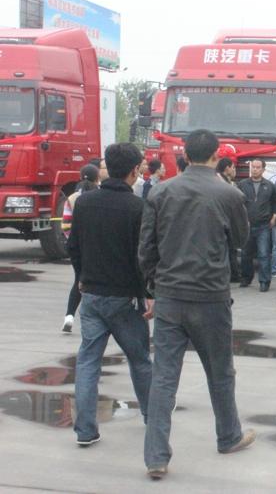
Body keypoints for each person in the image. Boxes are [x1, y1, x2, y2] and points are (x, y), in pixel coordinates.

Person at [139, 129, 252, 480]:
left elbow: (146, 250)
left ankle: (156, 456)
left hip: (170, 296)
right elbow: (241, 239)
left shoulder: (160, 191)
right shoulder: (229, 194)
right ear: (216, 156)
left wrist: (154, 286)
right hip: (210, 296)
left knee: (164, 377)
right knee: (220, 371)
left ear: (185, 155)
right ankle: (229, 435)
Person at [66, 144, 152, 447]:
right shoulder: (138, 208)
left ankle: (86, 430)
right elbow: (142, 258)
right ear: (134, 171)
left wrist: (82, 277)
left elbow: (72, 247)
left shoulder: (85, 203)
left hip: (91, 294)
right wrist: (148, 294)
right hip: (125, 298)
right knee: (139, 359)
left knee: (88, 361)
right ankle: (153, 418)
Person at [61, 164, 100, 333]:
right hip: (97, 246)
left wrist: (74, 240)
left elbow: (65, 224)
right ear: (97, 177)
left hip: (76, 247)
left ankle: (69, 316)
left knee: (78, 279)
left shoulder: (72, 198)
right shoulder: (99, 196)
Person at [238, 159, 276, 292]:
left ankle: (264, 281)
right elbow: (237, 203)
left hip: (263, 225)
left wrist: (274, 216)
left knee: (263, 254)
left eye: (258, 167)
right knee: (245, 254)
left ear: (263, 169)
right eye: (253, 167)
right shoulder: (242, 184)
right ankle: (246, 278)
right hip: (247, 225)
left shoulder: (269, 185)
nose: (255, 169)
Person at [216, 157, 241, 282]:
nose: (234, 170)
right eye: (233, 167)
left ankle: (233, 273)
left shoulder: (226, 181)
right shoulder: (221, 182)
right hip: (223, 221)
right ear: (227, 168)